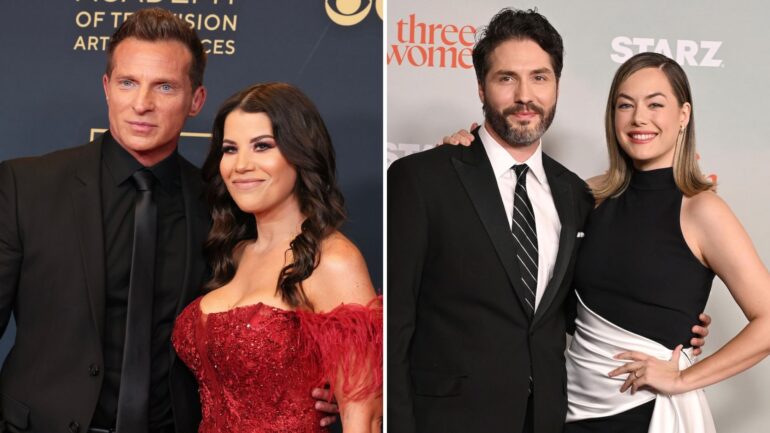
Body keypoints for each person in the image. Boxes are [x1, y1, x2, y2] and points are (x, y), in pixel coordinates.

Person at [0, 8, 337, 433]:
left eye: (164, 86)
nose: (142, 104)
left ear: (196, 100)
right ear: (107, 88)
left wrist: (314, 388)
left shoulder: (225, 206)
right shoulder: (25, 187)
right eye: (128, 83)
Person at [391, 8, 710, 433]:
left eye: (539, 77)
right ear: (481, 88)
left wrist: (672, 324)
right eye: (506, 78)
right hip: (448, 420)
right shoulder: (422, 179)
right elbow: (394, 325)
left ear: (557, 85)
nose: (525, 95)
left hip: (551, 418)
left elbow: (579, 308)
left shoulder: (577, 195)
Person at [561, 52, 770, 432]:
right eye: (625, 105)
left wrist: (682, 378)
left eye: (655, 104)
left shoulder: (702, 210)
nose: (639, 118)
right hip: (570, 409)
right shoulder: (586, 197)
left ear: (683, 115)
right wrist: (464, 152)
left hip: (648, 416)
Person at [171, 82, 382, 433]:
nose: (241, 165)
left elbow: (365, 417)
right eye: (230, 149)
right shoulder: (230, 254)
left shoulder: (332, 260)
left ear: (301, 154)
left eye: (262, 146)